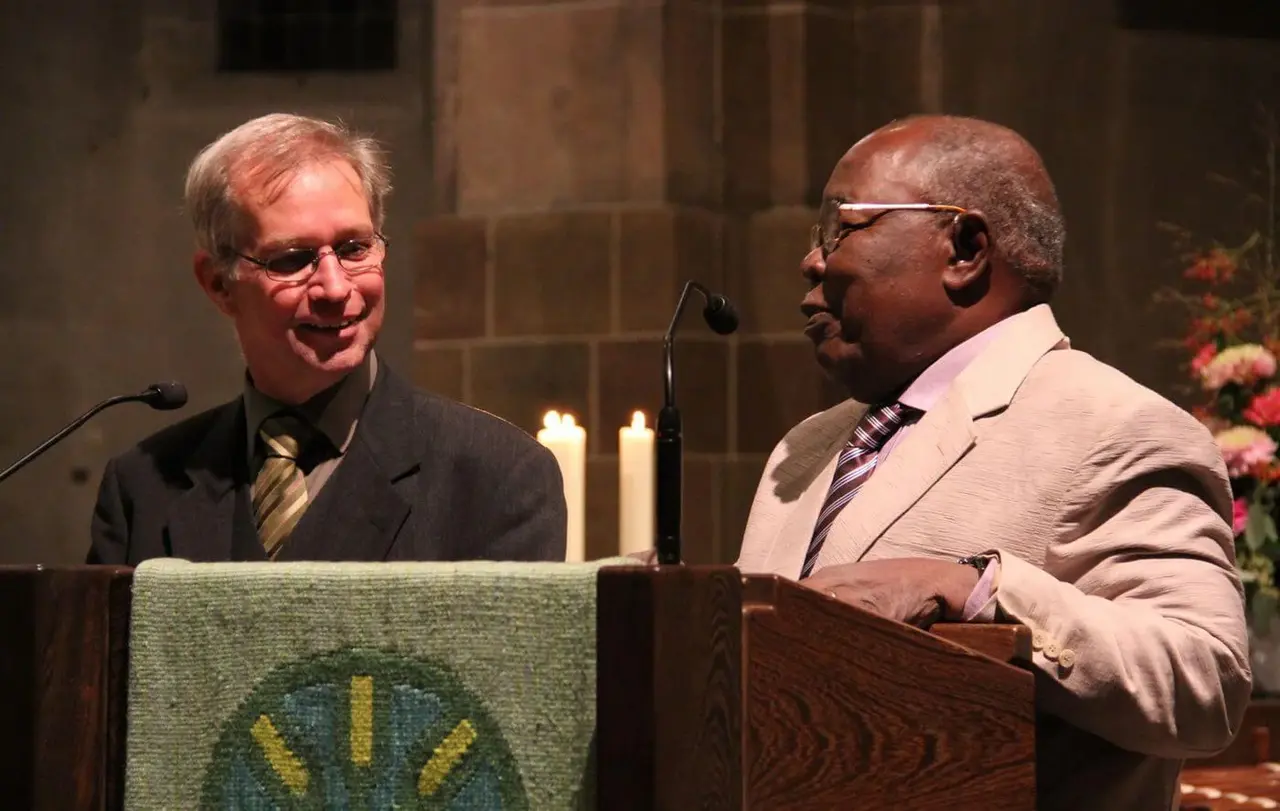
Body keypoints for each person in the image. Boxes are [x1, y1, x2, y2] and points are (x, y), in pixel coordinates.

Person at [735, 114, 1251, 809]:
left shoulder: (1119, 426)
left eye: (840, 225)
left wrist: (977, 588)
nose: (812, 259)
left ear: (966, 248)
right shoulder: (806, 447)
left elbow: (1206, 683)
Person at [88, 113, 566, 565]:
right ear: (218, 284)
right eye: (293, 259)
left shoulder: (497, 477)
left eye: (354, 248)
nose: (336, 287)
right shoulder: (142, 488)